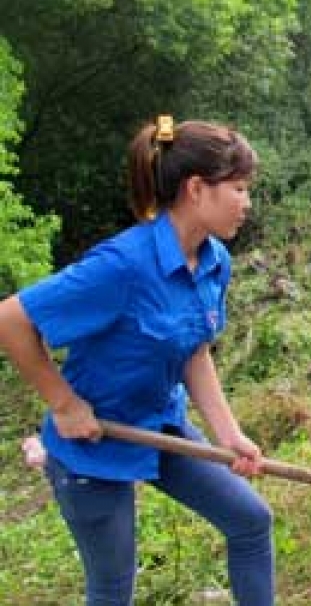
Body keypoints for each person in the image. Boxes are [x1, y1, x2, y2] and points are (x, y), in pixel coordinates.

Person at [0, 119, 274, 605]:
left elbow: (194, 351)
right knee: (112, 588)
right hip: (91, 446)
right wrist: (64, 404)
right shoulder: (122, 266)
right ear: (196, 189)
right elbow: (10, 319)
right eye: (239, 188)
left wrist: (228, 434)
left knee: (250, 521)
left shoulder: (213, 261)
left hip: (160, 427)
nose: (247, 202)